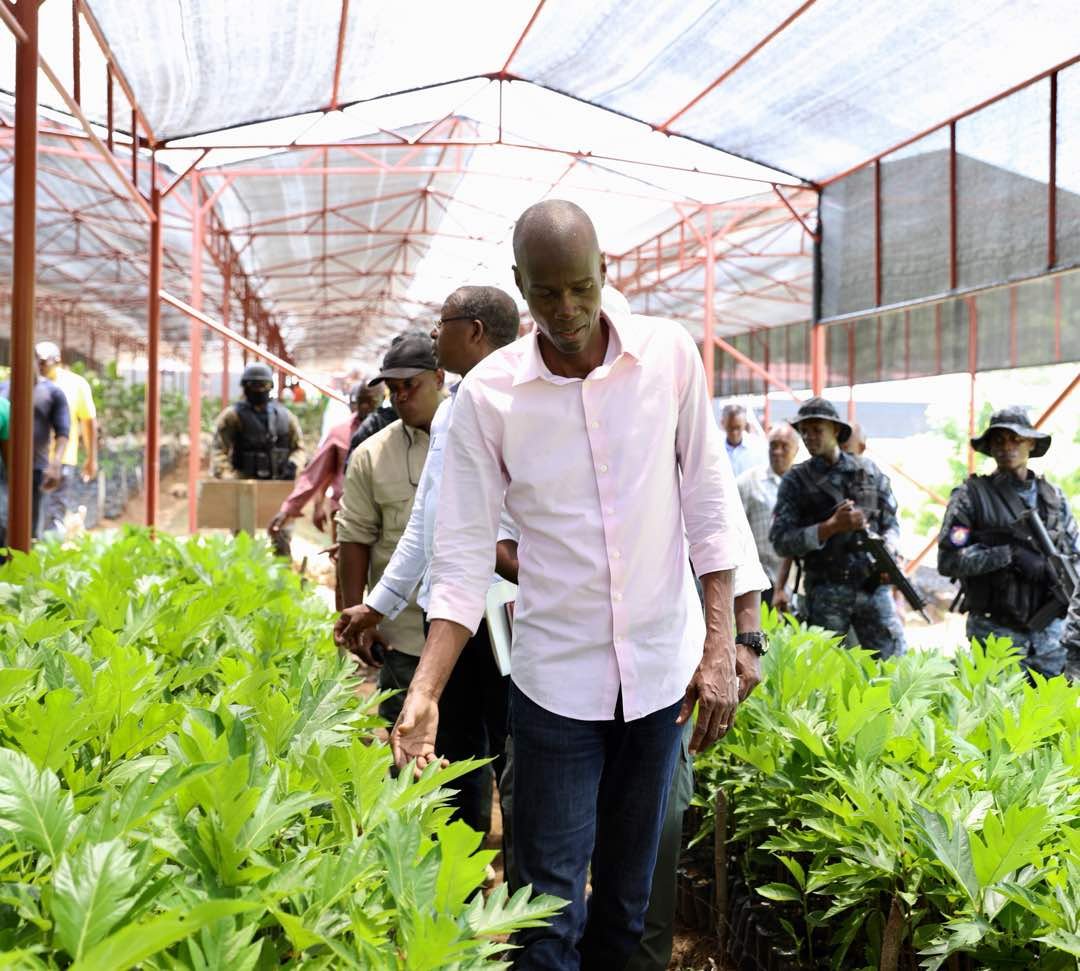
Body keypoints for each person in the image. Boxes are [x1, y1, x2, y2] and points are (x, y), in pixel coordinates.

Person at [389, 200, 744, 970]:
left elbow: (711, 510)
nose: (568, 310)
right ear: (520, 289)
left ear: (605, 269)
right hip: (554, 687)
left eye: (580, 287)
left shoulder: (670, 356)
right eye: (546, 295)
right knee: (545, 909)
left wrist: (721, 647)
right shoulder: (491, 398)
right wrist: (425, 691)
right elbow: (459, 559)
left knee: (625, 903)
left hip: (657, 679)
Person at [335, 285, 521, 836]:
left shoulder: (527, 399)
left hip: (510, 610)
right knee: (455, 747)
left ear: (476, 331)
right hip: (454, 613)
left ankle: (528, 897)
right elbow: (427, 522)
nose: (435, 333)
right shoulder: (452, 412)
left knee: (516, 751)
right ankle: (457, 885)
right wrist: (377, 604)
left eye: (444, 324)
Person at [335, 333, 444, 728]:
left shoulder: (478, 437)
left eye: (409, 386)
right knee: (404, 746)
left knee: (475, 755)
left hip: (475, 637)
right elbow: (354, 538)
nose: (400, 397)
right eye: (392, 389)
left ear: (439, 376)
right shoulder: (372, 455)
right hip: (404, 635)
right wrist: (361, 619)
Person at [937, 406, 1079, 678]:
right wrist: (1009, 554)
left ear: (1031, 444)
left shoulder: (1054, 498)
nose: (1007, 447)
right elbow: (948, 561)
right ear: (990, 447)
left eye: (1016, 439)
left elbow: (1075, 554)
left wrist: (1056, 570)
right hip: (996, 635)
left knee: (1049, 716)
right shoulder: (970, 496)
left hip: (1051, 639)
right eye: (999, 440)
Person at [770, 397, 906, 659]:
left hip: (873, 589)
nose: (809, 436)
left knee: (892, 667)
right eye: (804, 431)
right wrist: (828, 528)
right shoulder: (796, 481)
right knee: (824, 675)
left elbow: (891, 523)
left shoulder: (869, 472)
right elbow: (781, 540)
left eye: (816, 429)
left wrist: (889, 553)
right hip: (825, 593)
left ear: (835, 430)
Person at [267, 381, 381, 547]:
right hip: (345, 513)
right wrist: (290, 508)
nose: (364, 407)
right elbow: (316, 474)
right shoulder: (340, 432)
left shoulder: (394, 430)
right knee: (346, 567)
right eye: (359, 401)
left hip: (382, 513)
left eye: (370, 401)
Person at [210, 361, 305, 555]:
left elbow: (299, 448)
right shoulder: (232, 416)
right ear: (245, 387)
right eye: (255, 386)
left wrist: (294, 464)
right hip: (245, 483)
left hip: (277, 483)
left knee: (281, 536)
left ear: (271, 387)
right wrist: (229, 478)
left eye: (264, 386)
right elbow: (218, 450)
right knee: (243, 540)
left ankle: (282, 578)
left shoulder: (286, 417)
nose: (260, 390)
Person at [35, 342, 97, 535]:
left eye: (44, 361)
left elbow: (89, 422)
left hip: (61, 460)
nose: (40, 365)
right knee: (32, 514)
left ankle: (49, 558)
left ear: (57, 361)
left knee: (54, 514)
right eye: (37, 361)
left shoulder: (75, 384)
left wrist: (91, 458)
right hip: (33, 460)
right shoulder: (27, 382)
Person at [0, 372, 69, 541]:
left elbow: (63, 430)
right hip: (13, 471)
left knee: (29, 524)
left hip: (37, 467)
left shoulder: (53, 392)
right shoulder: (4, 388)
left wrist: (55, 464)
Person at [737, 423, 800, 608]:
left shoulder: (805, 485)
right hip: (758, 580)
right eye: (773, 445)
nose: (777, 451)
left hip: (794, 583)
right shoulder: (747, 483)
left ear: (796, 450)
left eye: (784, 446)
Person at [721, 402, 767, 477]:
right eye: (730, 427)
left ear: (745, 424)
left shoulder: (759, 447)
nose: (734, 432)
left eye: (738, 427)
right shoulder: (715, 448)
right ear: (722, 423)